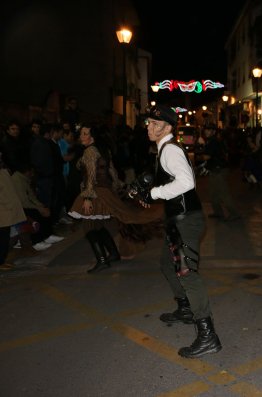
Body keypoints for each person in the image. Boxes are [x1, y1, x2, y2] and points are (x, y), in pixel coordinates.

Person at [140, 105, 222, 359]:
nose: (149, 127)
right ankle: (185, 307)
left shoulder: (170, 150)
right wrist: (151, 192)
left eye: (155, 124)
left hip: (187, 220)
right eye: (149, 123)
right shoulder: (165, 149)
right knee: (167, 263)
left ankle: (208, 336)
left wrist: (153, 193)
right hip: (178, 219)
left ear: (167, 127)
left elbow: (187, 182)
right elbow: (178, 181)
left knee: (188, 274)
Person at [68, 124, 159, 273]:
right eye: (81, 133)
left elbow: (91, 175)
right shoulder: (103, 150)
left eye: (85, 133)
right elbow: (112, 172)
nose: (81, 136)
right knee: (97, 226)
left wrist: (88, 197)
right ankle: (114, 254)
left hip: (95, 192)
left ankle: (102, 260)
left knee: (89, 228)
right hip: (105, 191)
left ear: (92, 137)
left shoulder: (90, 151)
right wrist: (118, 186)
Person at [197, 124, 241, 221]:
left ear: (214, 131)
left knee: (224, 193)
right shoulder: (211, 141)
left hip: (219, 170)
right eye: (206, 130)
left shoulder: (213, 141)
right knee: (213, 193)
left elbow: (206, 156)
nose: (206, 132)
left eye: (209, 130)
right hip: (215, 169)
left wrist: (200, 153)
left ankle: (235, 213)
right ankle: (218, 212)